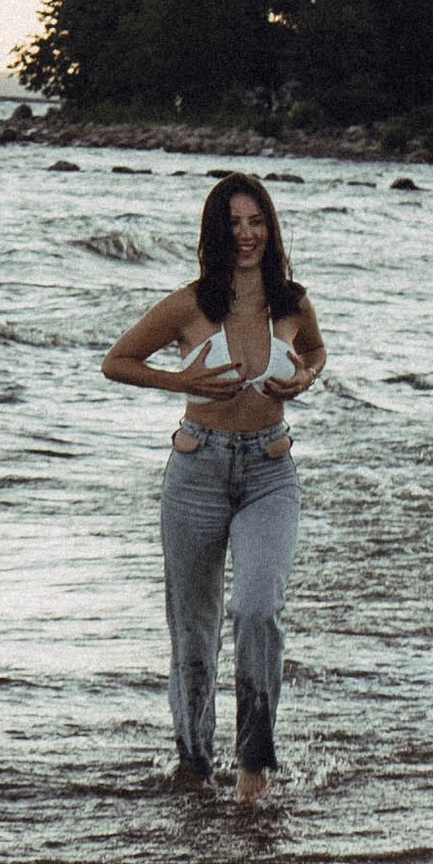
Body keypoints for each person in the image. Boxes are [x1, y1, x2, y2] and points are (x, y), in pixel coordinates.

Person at [101, 172, 326, 800]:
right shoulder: (188, 305)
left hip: (270, 472)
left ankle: (254, 766)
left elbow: (316, 352)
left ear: (270, 229)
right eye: (233, 224)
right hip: (196, 471)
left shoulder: (292, 303)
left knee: (257, 609)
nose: (246, 235)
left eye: (256, 222)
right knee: (194, 635)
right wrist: (181, 383)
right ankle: (196, 768)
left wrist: (304, 379)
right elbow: (117, 361)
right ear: (214, 234)